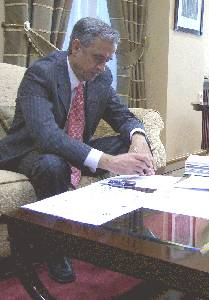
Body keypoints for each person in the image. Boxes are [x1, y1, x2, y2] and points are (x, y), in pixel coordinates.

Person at [0, 17, 156, 283]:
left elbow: (122, 116)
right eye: (98, 57)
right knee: (52, 163)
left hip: (71, 146)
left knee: (126, 145)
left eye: (108, 59)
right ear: (75, 47)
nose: (103, 66)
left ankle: (126, 226)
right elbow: (47, 136)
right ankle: (56, 249)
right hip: (29, 150)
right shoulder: (41, 74)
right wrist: (108, 161)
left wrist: (139, 138)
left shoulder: (101, 77)